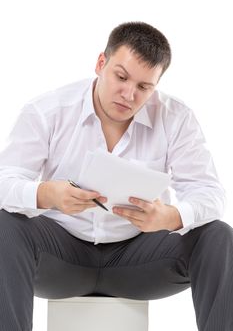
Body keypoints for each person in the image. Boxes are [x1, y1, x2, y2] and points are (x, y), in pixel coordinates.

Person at [0, 21, 232, 331]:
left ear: (156, 84)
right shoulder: (47, 110)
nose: (129, 95)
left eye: (143, 87)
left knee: (218, 235)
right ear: (101, 64)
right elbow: (5, 181)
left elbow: (210, 193)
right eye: (121, 77)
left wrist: (172, 216)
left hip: (139, 260)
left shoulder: (176, 117)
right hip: (60, 257)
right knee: (4, 224)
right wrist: (46, 194)